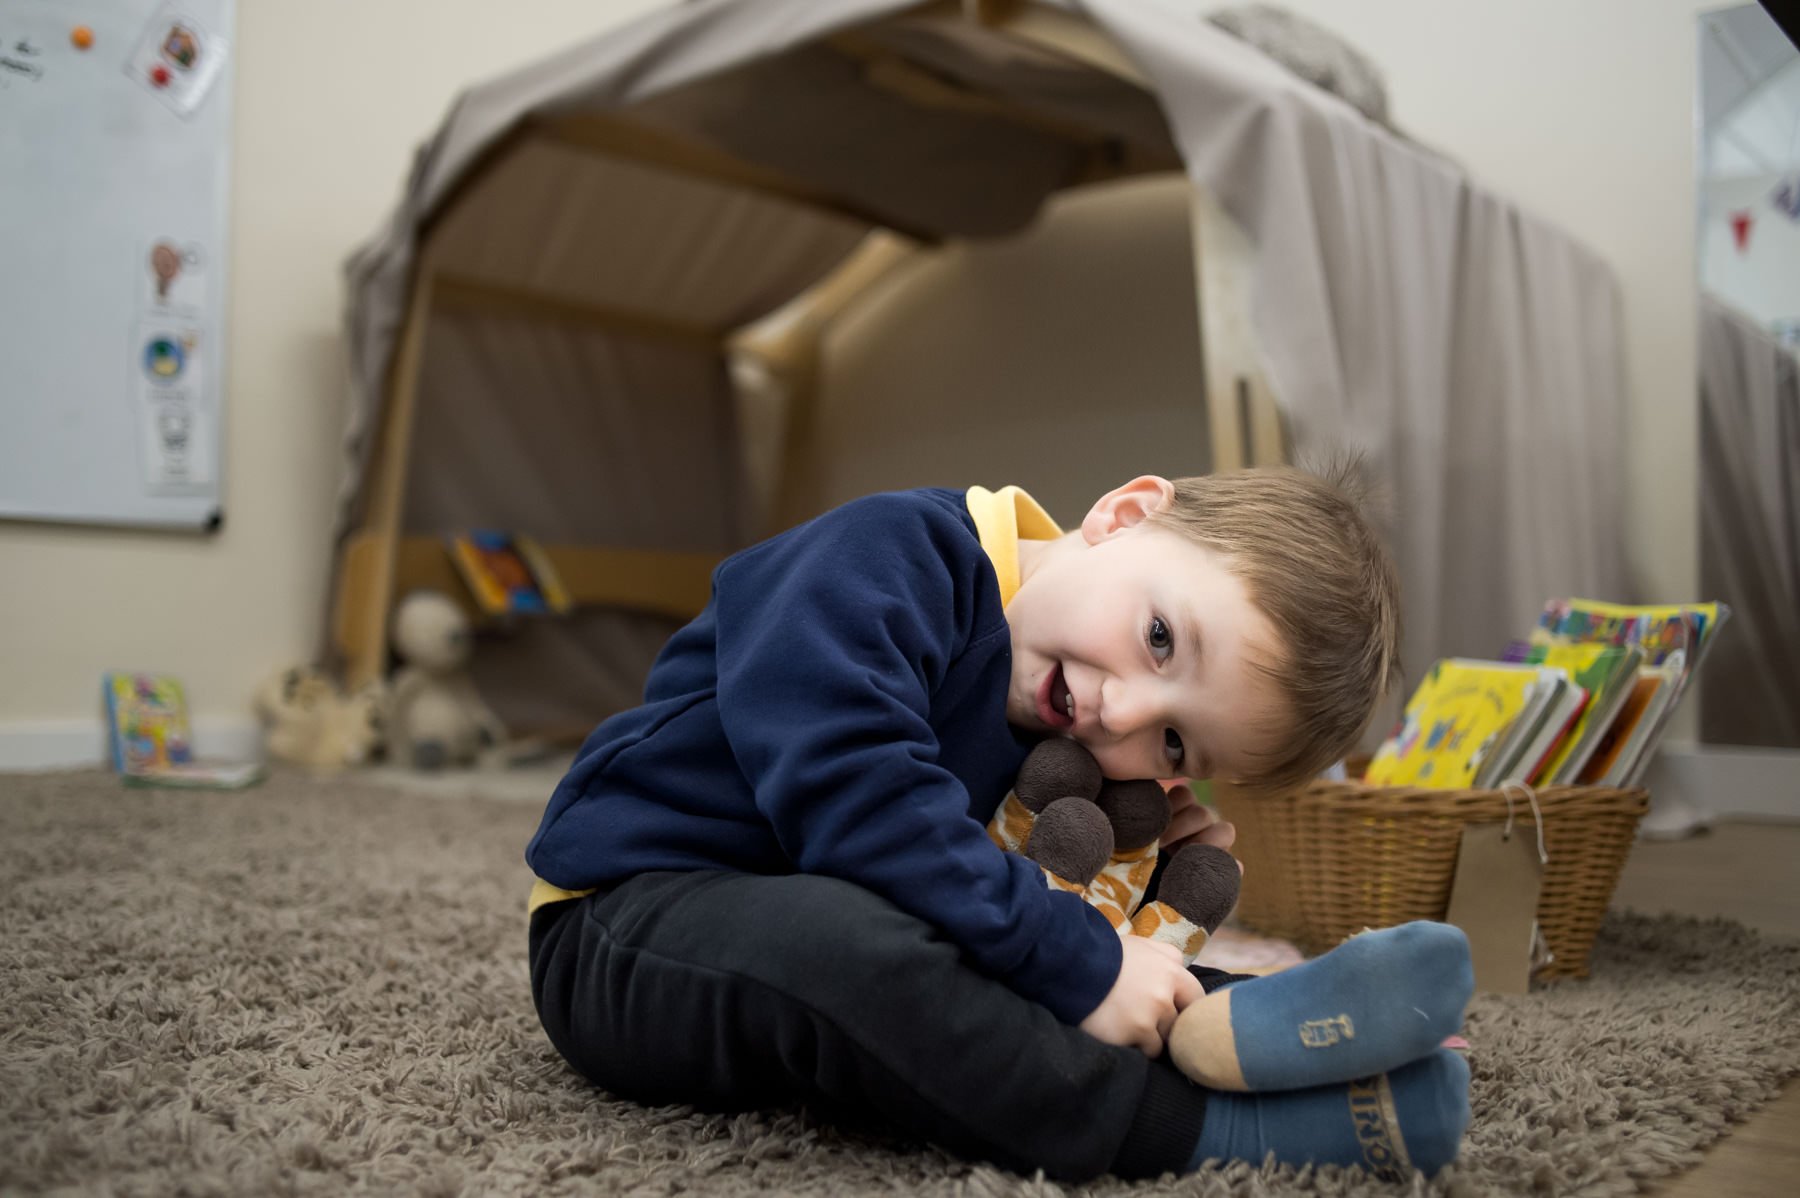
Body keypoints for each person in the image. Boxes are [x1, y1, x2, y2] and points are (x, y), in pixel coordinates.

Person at [525, 467, 1472, 1182]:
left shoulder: (1061, 725)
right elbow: (850, 793)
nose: (1126, 715)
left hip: (836, 900)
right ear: (1123, 515)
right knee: (872, 950)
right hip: (629, 917)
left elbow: (991, 890)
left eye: (1178, 744)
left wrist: (1126, 928)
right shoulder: (893, 553)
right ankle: (1199, 1125)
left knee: (1031, 948)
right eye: (1159, 639)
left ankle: (1264, 1026)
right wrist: (1078, 960)